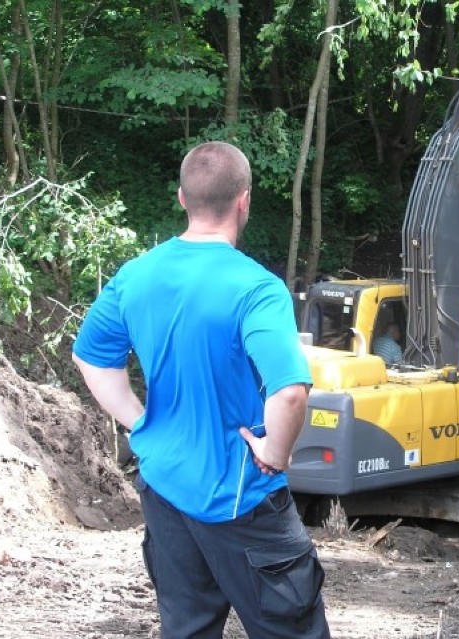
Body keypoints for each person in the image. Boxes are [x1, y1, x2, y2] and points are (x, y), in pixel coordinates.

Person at [72, 141, 330, 639]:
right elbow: (291, 393)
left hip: (165, 492)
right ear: (244, 201)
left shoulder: (136, 276)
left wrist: (141, 421)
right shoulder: (257, 289)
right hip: (243, 497)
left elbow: (90, 357)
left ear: (181, 199)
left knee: (186, 630)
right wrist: (275, 454)